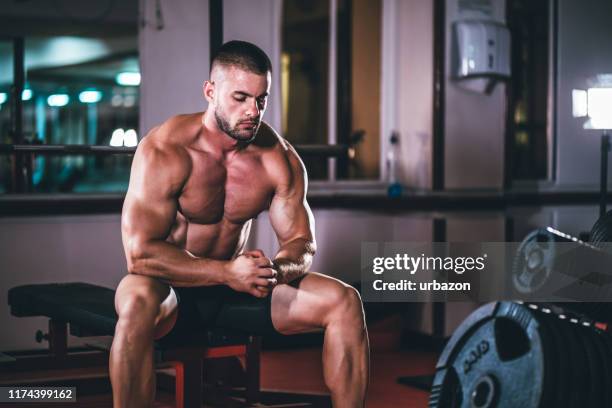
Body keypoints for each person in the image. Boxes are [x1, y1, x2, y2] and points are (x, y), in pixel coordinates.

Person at [109, 40, 369, 408]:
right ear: (210, 91)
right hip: (170, 289)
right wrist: (227, 271)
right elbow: (140, 255)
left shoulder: (277, 158)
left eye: (261, 100)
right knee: (134, 303)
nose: (253, 111)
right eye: (241, 98)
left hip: (237, 290)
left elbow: (301, 242)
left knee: (344, 301)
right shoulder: (165, 150)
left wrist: (276, 272)